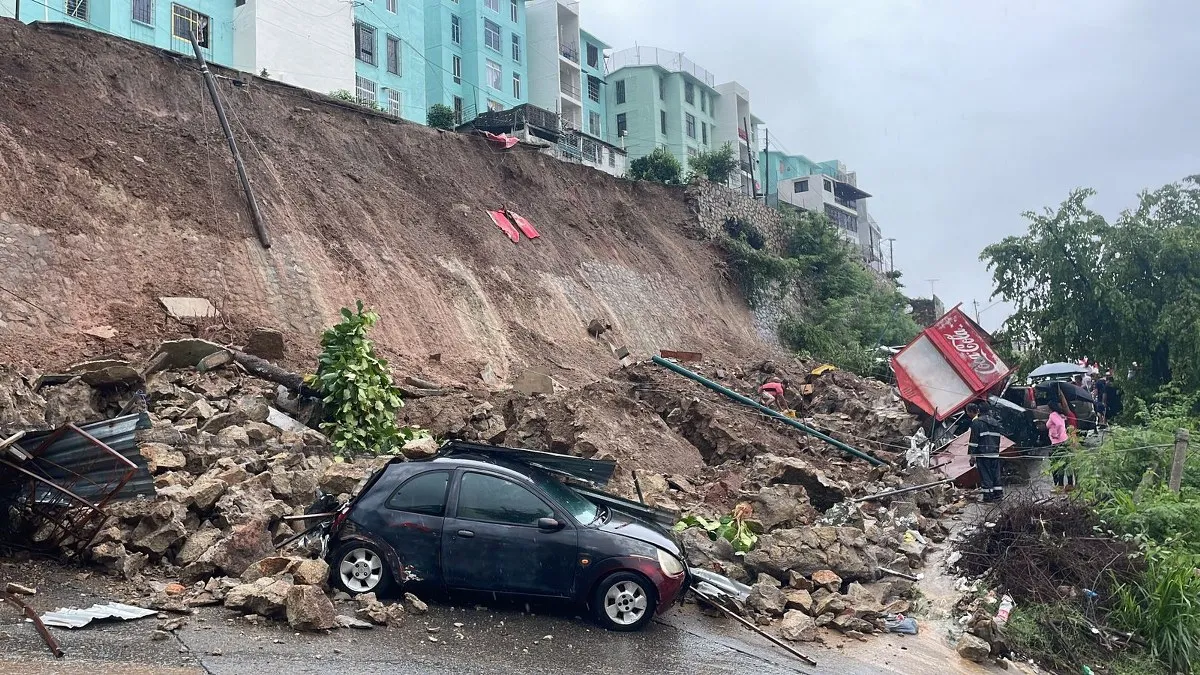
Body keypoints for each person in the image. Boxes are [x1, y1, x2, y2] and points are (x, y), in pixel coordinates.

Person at [967, 401, 1004, 502]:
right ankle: (998, 495)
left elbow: (974, 441)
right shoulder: (996, 423)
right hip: (995, 453)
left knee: (986, 475)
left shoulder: (977, 423)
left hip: (983, 454)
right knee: (996, 475)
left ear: (978, 410)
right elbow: (998, 439)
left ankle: (988, 496)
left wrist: (972, 455)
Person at [1047, 403, 1071, 489]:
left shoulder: (1053, 415)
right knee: (1067, 461)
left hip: (1057, 442)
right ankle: (1070, 483)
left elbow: (1059, 425)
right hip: (1064, 440)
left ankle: (1060, 485)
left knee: (1058, 463)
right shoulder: (1060, 415)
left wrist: (1056, 434)